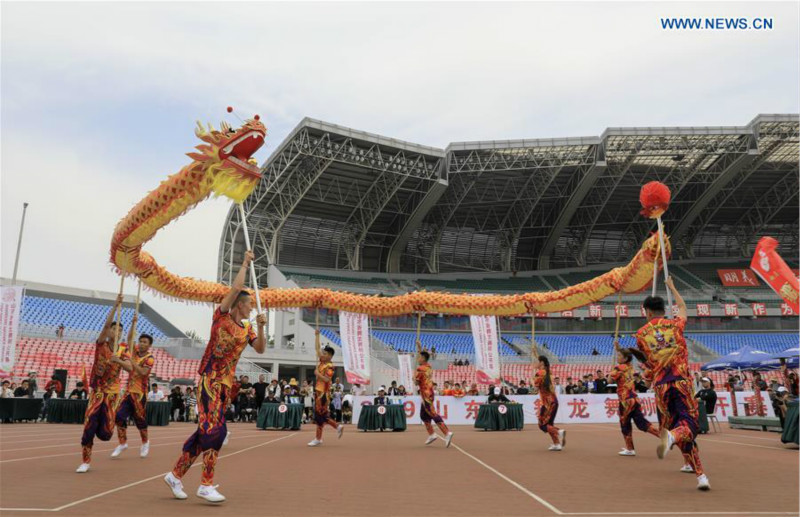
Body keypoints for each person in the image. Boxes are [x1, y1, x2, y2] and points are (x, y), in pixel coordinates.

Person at [164, 250, 267, 503]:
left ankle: (175, 475)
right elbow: (236, 287)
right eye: (249, 304)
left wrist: (263, 327)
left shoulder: (248, 329)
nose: (252, 307)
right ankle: (205, 484)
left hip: (225, 387)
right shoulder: (220, 315)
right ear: (239, 304)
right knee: (215, 433)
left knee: (206, 433)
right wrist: (244, 263)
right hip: (209, 381)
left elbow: (261, 348)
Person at [636, 277, 709, 491]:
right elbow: (684, 308)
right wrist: (673, 288)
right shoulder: (675, 325)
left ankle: (700, 474)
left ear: (647, 312)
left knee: (678, 428)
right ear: (662, 309)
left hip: (661, 387)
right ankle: (674, 438)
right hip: (681, 382)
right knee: (690, 426)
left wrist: (648, 377)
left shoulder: (641, 335)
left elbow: (648, 363)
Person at [75, 294, 126, 473]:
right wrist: (115, 305)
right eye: (113, 329)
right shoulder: (101, 345)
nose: (115, 332)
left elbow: (130, 368)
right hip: (97, 392)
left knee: (106, 433)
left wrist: (118, 361)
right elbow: (105, 326)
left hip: (112, 394)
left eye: (119, 330)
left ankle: (101, 428)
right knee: (89, 425)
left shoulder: (122, 351)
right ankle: (85, 461)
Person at [112, 329, 155, 459]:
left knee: (140, 421)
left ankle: (145, 442)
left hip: (140, 394)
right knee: (118, 416)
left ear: (149, 345)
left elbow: (142, 372)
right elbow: (130, 339)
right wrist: (133, 324)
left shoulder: (150, 358)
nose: (141, 344)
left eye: (145, 342)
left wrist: (133, 362)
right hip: (128, 392)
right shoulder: (135, 351)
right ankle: (122, 443)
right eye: (140, 341)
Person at [611, 345, 659, 456]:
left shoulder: (619, 368)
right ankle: (662, 436)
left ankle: (630, 449)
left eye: (619, 356)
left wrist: (612, 370)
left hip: (625, 400)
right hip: (634, 399)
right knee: (641, 423)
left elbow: (610, 379)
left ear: (625, 358)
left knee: (625, 423)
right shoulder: (630, 367)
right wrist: (619, 349)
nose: (617, 357)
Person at [308, 328, 344, 447]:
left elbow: (327, 379)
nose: (322, 355)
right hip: (319, 392)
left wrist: (317, 374)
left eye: (324, 354)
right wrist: (317, 336)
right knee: (320, 415)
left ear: (330, 356)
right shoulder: (322, 362)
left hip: (323, 393)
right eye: (323, 354)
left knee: (321, 415)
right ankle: (336, 427)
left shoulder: (330, 367)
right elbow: (317, 349)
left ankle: (320, 437)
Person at [415, 342, 454, 447]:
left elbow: (416, 382)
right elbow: (424, 356)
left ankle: (447, 433)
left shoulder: (420, 369)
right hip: (430, 392)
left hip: (426, 394)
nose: (417, 358)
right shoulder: (428, 366)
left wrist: (414, 377)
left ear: (423, 358)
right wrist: (419, 348)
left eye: (419, 357)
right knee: (423, 416)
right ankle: (432, 434)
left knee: (432, 413)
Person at [533, 355, 565, 451]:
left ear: (541, 362)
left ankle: (559, 431)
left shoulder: (539, 373)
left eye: (537, 361)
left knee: (542, 424)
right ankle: (557, 444)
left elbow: (535, 388)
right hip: (553, 401)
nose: (536, 363)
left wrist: (532, 379)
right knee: (549, 424)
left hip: (548, 403)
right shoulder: (549, 372)